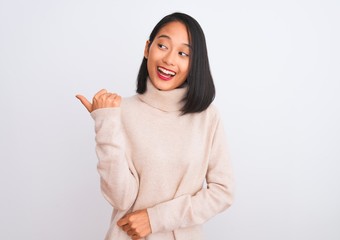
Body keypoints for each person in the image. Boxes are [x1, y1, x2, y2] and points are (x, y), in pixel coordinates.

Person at [76, 12, 234, 240]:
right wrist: (105, 123)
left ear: (193, 64)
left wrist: (156, 219)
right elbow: (120, 197)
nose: (169, 59)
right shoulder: (118, 112)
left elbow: (223, 192)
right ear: (147, 48)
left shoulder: (207, 117)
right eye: (162, 46)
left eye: (183, 53)